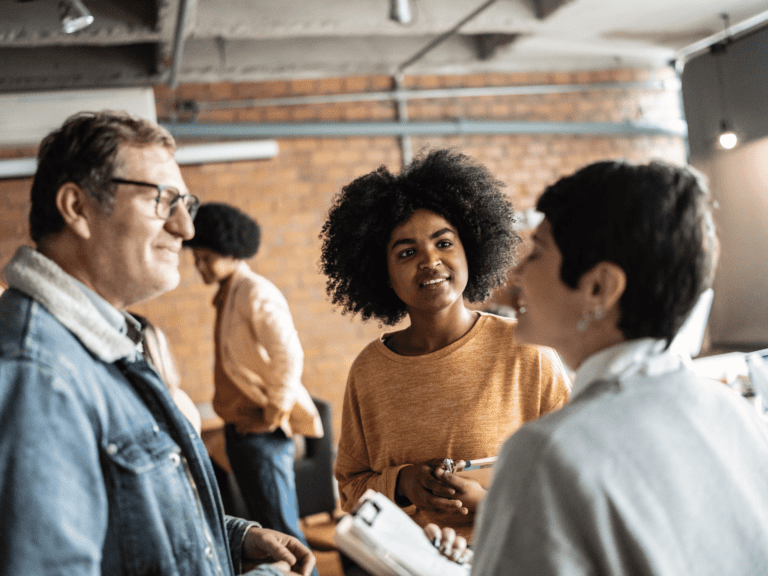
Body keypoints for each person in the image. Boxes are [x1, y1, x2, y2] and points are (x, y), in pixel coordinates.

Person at [0, 111, 315, 576]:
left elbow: (127, 523)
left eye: (185, 202)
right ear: (78, 208)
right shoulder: (36, 372)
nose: (186, 228)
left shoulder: (106, 340)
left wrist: (232, 538)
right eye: (164, 200)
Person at [433, 159, 768, 575]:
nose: (516, 273)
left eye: (537, 251)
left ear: (599, 288)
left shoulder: (547, 454)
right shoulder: (732, 410)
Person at [319, 148, 571, 541]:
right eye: (407, 252)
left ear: (471, 247)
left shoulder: (527, 352)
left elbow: (573, 476)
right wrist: (404, 483)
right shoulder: (370, 371)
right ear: (381, 273)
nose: (430, 261)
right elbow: (351, 490)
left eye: (444, 243)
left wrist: (486, 502)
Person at [184, 202, 323, 561]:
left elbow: (288, 354)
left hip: (262, 433)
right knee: (264, 533)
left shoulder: (254, 291)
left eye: (206, 257)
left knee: (285, 535)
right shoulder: (228, 292)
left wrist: (274, 412)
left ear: (232, 251)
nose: (199, 266)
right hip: (241, 432)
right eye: (196, 257)